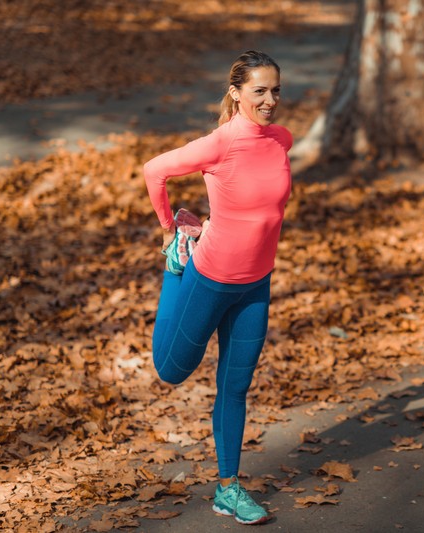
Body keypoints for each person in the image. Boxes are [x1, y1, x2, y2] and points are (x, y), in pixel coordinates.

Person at [143, 50, 292, 525]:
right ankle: (175, 264)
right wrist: (169, 230)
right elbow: (154, 170)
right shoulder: (220, 143)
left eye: (275, 91)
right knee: (171, 371)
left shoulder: (280, 140)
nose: (270, 101)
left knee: (236, 385)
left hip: (255, 284)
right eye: (259, 92)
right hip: (209, 279)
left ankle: (228, 488)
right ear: (236, 93)